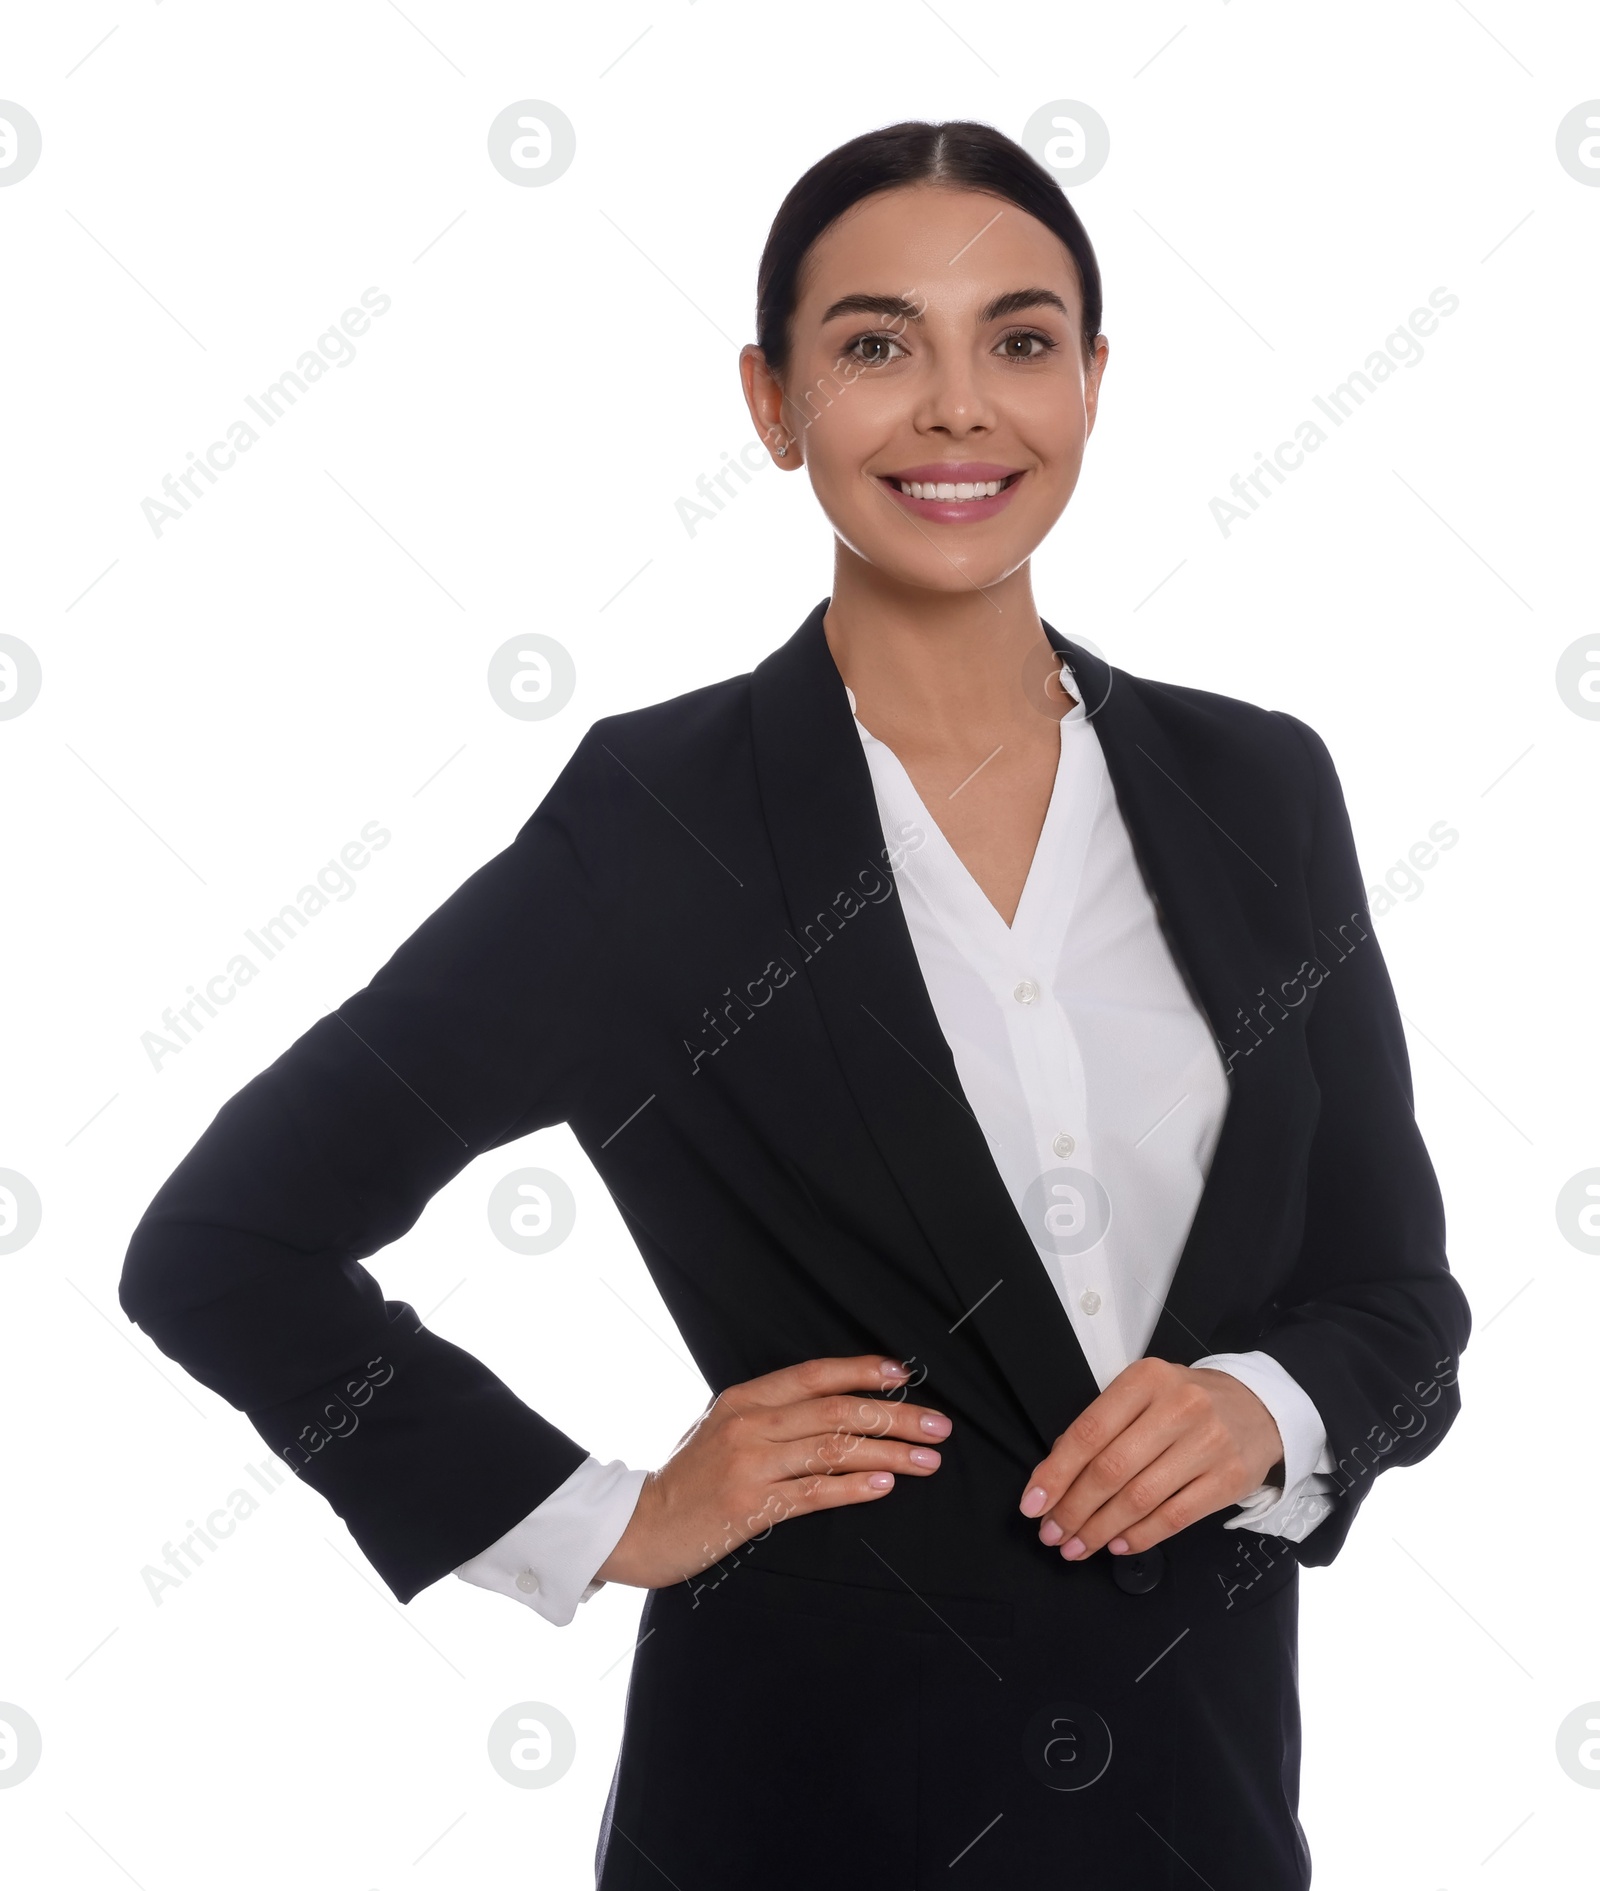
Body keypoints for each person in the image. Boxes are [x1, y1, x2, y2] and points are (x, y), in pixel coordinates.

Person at [120, 119, 1470, 1887]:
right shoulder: (656, 823)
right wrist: (605, 1517)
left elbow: (1396, 1302)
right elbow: (225, 1244)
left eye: (1021, 339)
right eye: (875, 345)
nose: (958, 406)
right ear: (772, 405)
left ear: (1092, 384)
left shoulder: (1258, 790)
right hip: (797, 1814)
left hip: (1199, 1816)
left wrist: (1265, 1410)